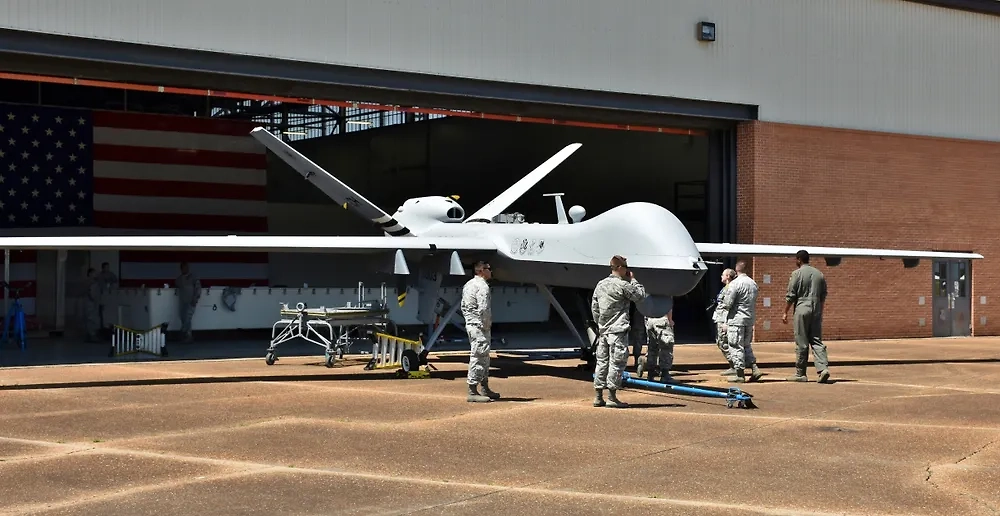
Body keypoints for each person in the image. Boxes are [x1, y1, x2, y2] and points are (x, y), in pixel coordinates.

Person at [591, 255, 647, 408]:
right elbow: (640, 296)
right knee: (617, 363)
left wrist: (600, 324)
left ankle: (598, 396)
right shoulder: (623, 285)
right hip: (618, 331)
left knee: (601, 362)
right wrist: (633, 280)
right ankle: (612, 397)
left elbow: (594, 308)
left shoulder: (600, 284)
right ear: (621, 268)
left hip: (604, 331)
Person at [782, 250, 831, 383]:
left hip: (802, 307)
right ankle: (823, 369)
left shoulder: (796, 274)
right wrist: (820, 310)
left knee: (802, 341)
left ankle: (800, 373)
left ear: (799, 259)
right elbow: (823, 295)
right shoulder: (819, 274)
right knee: (816, 340)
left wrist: (785, 311)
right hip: (816, 308)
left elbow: (791, 295)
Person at [461, 261, 500, 403]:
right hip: (480, 326)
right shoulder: (482, 286)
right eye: (489, 269)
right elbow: (484, 309)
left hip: (472, 324)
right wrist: (486, 324)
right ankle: (472, 390)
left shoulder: (469, 284)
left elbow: (464, 306)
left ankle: (484, 387)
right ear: (481, 271)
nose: (491, 271)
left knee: (483, 356)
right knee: (479, 355)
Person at [720, 261, 762, 383]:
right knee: (746, 345)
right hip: (749, 319)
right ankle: (754, 368)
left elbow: (728, 303)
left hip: (736, 319)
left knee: (735, 345)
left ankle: (740, 374)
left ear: (736, 270)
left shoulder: (735, 284)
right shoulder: (753, 283)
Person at [641, 295, 675, 383]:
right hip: (662, 319)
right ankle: (665, 374)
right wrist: (670, 320)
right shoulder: (664, 286)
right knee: (666, 347)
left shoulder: (648, 285)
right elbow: (668, 303)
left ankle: (650, 374)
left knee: (652, 347)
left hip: (650, 319)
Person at [175, 262, 201, 342]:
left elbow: (198, 289)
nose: (185, 269)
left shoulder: (193, 278)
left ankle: (184, 334)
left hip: (191, 301)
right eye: (183, 268)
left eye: (186, 267)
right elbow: (177, 285)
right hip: (183, 302)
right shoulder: (179, 279)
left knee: (187, 318)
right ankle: (187, 335)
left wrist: (195, 299)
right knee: (183, 318)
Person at [96, 262, 118, 332]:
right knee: (102, 312)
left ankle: (110, 327)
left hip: (110, 297)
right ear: (103, 268)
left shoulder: (111, 275)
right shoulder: (100, 276)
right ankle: (102, 328)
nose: (107, 268)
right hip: (102, 296)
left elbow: (115, 281)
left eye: (108, 267)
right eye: (106, 267)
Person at [84, 268, 101, 342]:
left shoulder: (93, 282)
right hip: (91, 303)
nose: (95, 274)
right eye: (94, 273)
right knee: (91, 319)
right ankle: (92, 335)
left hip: (92, 302)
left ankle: (90, 335)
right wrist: (93, 299)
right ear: (90, 274)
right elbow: (90, 292)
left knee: (91, 318)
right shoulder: (91, 282)